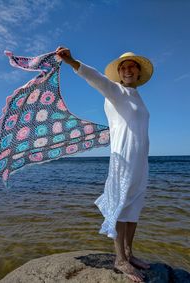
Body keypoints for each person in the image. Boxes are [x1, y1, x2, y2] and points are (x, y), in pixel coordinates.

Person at [56, 46, 153, 282]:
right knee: (120, 207)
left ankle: (129, 253)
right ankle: (119, 259)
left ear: (138, 73)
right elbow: (96, 78)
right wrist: (71, 61)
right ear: (119, 73)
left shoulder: (137, 96)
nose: (128, 70)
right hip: (123, 158)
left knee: (134, 209)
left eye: (132, 67)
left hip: (141, 160)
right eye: (124, 67)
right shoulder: (116, 91)